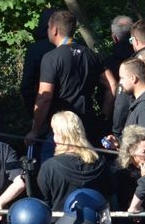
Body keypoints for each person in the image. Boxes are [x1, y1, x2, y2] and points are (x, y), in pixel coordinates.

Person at [27, 9, 118, 158]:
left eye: (48, 27)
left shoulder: (51, 58)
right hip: (87, 124)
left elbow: (45, 97)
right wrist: (104, 116)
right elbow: (112, 85)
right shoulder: (91, 55)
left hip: (61, 127)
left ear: (54, 29)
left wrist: (35, 130)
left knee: (51, 170)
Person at [35, 111, 112, 210]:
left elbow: (43, 204)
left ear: (61, 136)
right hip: (96, 222)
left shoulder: (49, 168)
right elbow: (110, 194)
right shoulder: (100, 162)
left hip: (60, 223)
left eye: (54, 133)